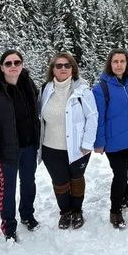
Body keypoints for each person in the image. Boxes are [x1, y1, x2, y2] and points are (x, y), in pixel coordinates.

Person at [0, 49, 41, 241]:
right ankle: (8, 224)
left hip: (29, 145)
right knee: (8, 188)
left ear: (22, 65)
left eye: (17, 62)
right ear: (1, 67)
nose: (13, 66)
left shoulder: (28, 83)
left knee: (29, 183)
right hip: (6, 149)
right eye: (8, 63)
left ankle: (27, 215)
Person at [37, 52, 97, 230]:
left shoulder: (82, 90)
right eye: (58, 65)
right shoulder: (45, 89)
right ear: (52, 69)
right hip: (51, 148)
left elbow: (92, 117)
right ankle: (65, 212)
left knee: (76, 179)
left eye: (67, 65)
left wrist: (87, 143)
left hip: (78, 148)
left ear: (73, 68)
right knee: (60, 183)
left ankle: (77, 210)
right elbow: (39, 117)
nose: (63, 69)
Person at [93, 49, 128, 228]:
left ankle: (124, 199)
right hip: (113, 141)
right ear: (110, 64)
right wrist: (99, 142)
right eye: (115, 61)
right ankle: (115, 211)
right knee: (120, 174)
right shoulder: (101, 88)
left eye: (122, 61)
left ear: (127, 64)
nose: (119, 65)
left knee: (124, 170)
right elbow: (99, 117)